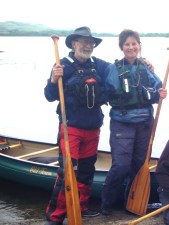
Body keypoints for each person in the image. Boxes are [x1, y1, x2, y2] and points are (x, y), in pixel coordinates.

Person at [44, 26, 110, 225]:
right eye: (83, 41)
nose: (88, 45)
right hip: (70, 127)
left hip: (93, 128)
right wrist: (53, 80)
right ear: (74, 44)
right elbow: (49, 96)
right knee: (67, 172)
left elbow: (119, 68)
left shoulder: (98, 65)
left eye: (90, 42)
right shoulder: (61, 65)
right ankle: (55, 215)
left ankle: (80, 208)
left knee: (87, 171)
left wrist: (143, 62)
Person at [100, 29, 167, 215]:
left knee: (138, 165)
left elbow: (157, 89)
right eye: (127, 44)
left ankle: (131, 201)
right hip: (122, 123)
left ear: (139, 46)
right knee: (121, 165)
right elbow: (103, 93)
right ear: (122, 47)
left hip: (144, 123)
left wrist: (161, 93)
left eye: (134, 44)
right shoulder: (112, 69)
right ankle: (107, 202)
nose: (131, 47)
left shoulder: (145, 68)